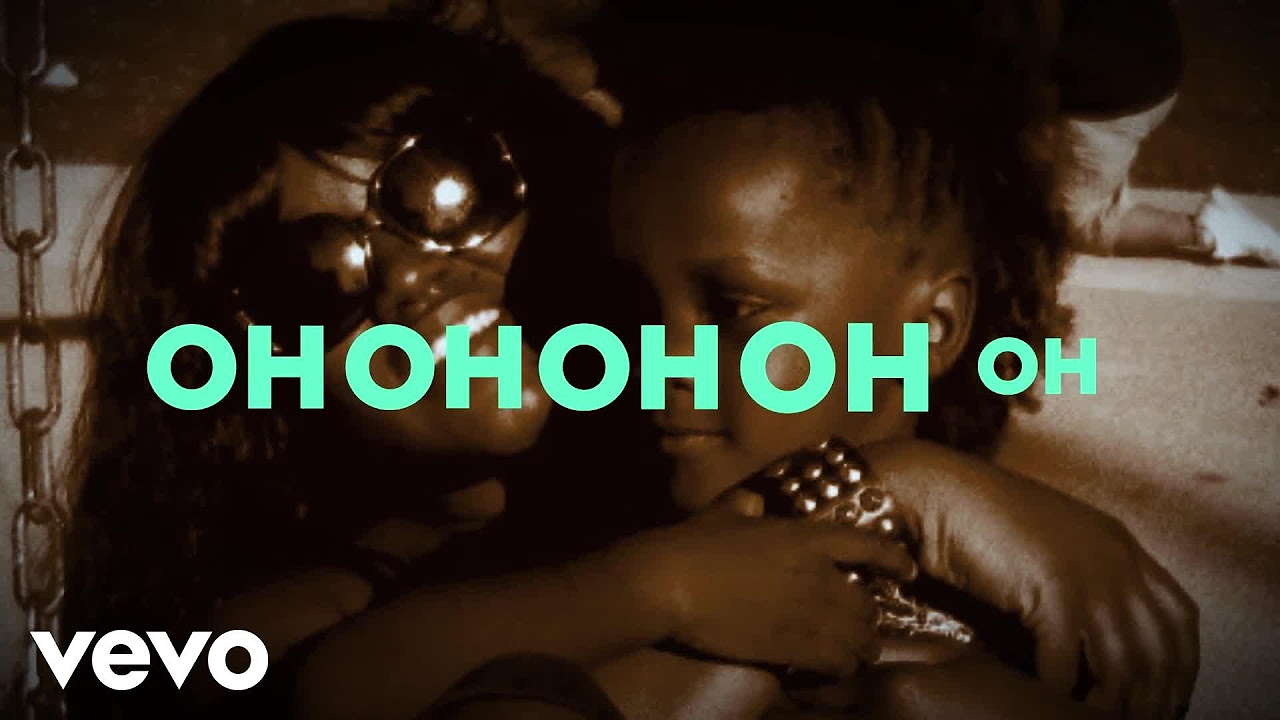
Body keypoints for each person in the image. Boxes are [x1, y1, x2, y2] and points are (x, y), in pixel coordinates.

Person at [64, 15, 920, 720]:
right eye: (308, 279)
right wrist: (658, 591)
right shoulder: (288, 628)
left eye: (442, 187)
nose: (411, 280)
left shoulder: (717, 452)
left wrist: (935, 491)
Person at [586, 3, 1199, 718]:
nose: (658, 361)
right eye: (633, 304)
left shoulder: (994, 667)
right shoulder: (582, 532)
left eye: (735, 310)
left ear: (928, 331)